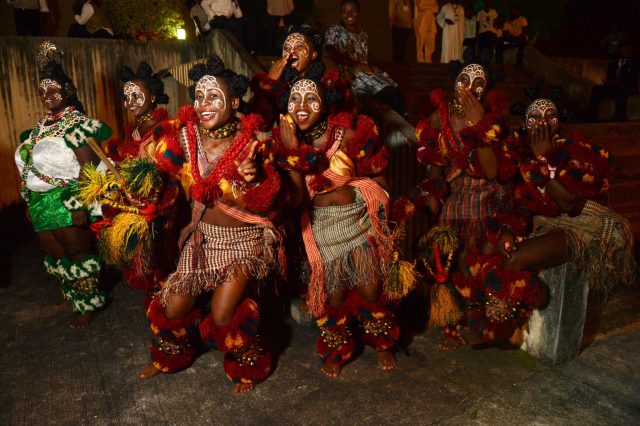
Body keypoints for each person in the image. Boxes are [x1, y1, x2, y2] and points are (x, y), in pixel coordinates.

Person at [140, 56, 285, 394]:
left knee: (222, 315)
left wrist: (256, 176)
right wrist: (138, 184)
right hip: (202, 239)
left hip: (243, 241)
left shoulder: (254, 140)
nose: (204, 104)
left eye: (213, 96)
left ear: (234, 102)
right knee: (173, 305)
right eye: (199, 96)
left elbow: (273, 196)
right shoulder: (185, 139)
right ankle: (172, 355)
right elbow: (158, 174)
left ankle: (248, 361)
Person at [469, 98, 636, 343]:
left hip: (581, 226)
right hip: (546, 222)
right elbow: (525, 205)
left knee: (515, 258)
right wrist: (507, 230)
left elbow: (568, 205)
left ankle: (504, 323)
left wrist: (546, 158)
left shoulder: (577, 150)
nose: (543, 122)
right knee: (492, 247)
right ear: (525, 124)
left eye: (550, 116)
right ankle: (501, 314)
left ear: (559, 123)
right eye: (535, 117)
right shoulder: (521, 153)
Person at [277, 77, 407, 378]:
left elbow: (382, 180)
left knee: (371, 288)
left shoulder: (350, 135)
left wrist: (367, 203)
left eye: (311, 98)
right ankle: (338, 349)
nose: (301, 106)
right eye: (294, 99)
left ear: (326, 104)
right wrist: (294, 153)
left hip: (358, 221)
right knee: (333, 297)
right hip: (322, 230)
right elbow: (296, 201)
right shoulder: (284, 144)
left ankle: (381, 342)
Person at [412, 63, 512, 348]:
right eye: (464, 79)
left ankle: (470, 319)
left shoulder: (491, 120)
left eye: (478, 82)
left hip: (484, 192)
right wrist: (433, 197)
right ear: (454, 83)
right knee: (443, 257)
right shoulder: (438, 118)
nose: (470, 86)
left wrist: (479, 124)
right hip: (453, 192)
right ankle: (448, 318)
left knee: (473, 259)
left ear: (486, 91)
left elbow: (493, 173)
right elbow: (434, 164)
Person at [14, 41, 111, 328]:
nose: (47, 96)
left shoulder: (76, 124)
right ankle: (71, 294)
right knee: (55, 253)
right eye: (42, 91)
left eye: (53, 90)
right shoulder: (40, 127)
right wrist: (30, 200)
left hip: (66, 200)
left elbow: (90, 168)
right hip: (41, 202)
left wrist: (79, 202)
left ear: (67, 91)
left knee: (77, 253)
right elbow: (29, 165)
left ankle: (89, 301)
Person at [82, 62, 181, 309]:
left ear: (154, 96)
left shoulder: (167, 129)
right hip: (139, 208)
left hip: (164, 209)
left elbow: (171, 174)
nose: (130, 101)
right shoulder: (135, 133)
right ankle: (161, 305)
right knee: (145, 265)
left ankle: (173, 312)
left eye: (137, 95)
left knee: (165, 263)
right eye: (126, 97)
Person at [325, 0, 407, 117]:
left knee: (396, 89)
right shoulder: (335, 30)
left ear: (358, 13)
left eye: (352, 11)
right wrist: (355, 65)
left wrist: (368, 67)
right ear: (341, 14)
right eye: (345, 12)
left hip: (365, 71)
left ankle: (404, 120)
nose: (349, 15)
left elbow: (363, 58)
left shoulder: (363, 34)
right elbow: (330, 51)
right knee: (387, 92)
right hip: (350, 73)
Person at [249, 25, 326, 130]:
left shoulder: (325, 83)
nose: (291, 52)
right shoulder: (280, 85)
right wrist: (269, 82)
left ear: (313, 54)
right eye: (287, 48)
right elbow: (259, 124)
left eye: (299, 47)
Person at [589, 43, 639, 122]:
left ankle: (621, 117)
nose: (626, 52)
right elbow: (609, 77)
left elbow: (632, 77)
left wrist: (620, 81)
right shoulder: (613, 64)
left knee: (621, 90)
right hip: (613, 85)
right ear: (619, 52)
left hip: (627, 87)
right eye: (624, 50)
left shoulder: (634, 63)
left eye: (628, 50)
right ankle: (592, 115)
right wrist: (609, 82)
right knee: (596, 89)